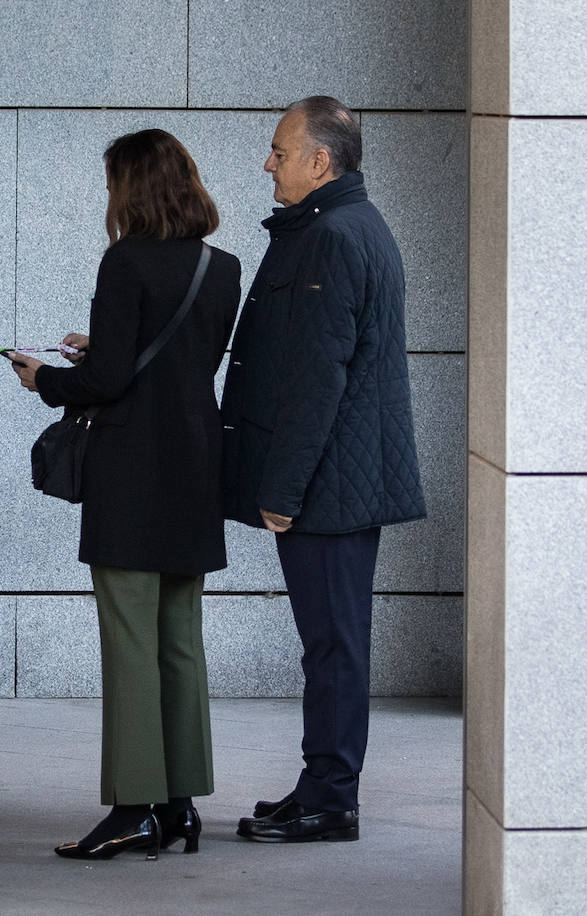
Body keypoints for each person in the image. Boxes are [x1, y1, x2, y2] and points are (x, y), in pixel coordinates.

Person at [11, 129, 240, 860]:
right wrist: (102, 346)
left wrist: (42, 378)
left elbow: (107, 382)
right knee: (179, 640)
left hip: (133, 471)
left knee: (131, 641)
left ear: (130, 189)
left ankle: (132, 809)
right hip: (197, 465)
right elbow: (177, 363)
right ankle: (180, 806)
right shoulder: (222, 266)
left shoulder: (125, 262)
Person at [221, 96, 426, 843]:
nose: (266, 163)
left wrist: (282, 490)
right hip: (334, 480)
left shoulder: (337, 236)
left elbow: (318, 378)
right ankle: (320, 784)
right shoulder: (333, 228)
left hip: (328, 488)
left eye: (279, 151)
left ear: (320, 161)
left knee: (335, 644)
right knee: (331, 642)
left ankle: (332, 800)